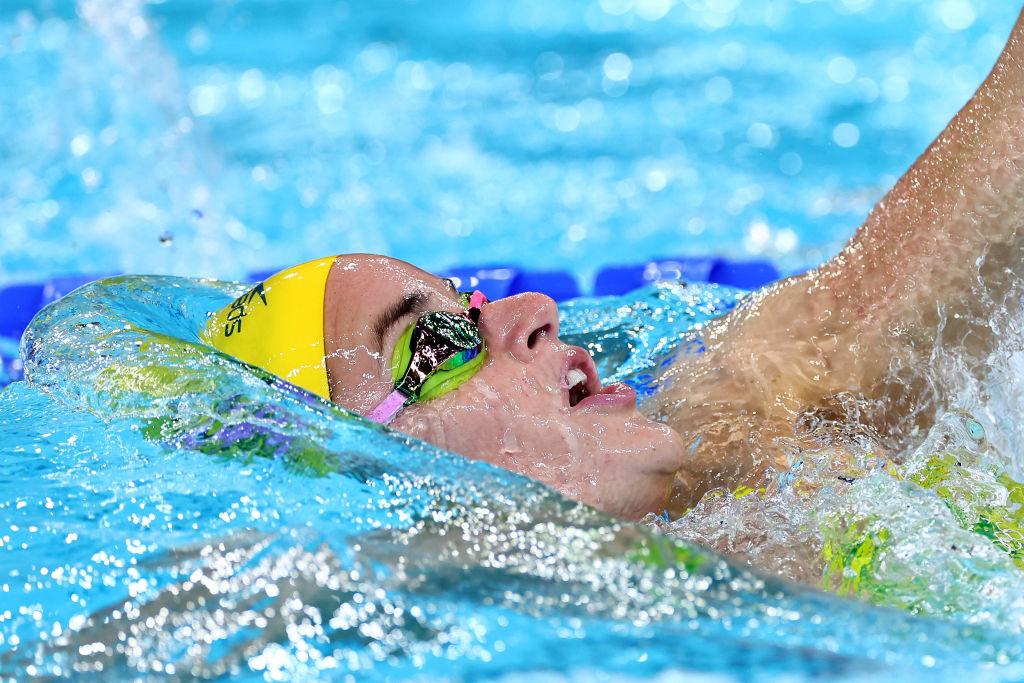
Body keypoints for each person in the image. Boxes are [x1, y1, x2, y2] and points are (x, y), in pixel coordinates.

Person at [203, 8, 1024, 522]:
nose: (532, 311)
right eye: (439, 344)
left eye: (472, 303)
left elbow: (850, 327)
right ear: (368, 474)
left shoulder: (738, 432)